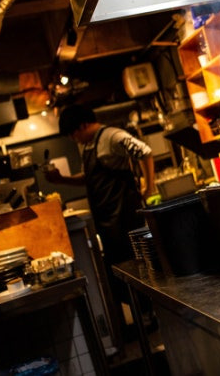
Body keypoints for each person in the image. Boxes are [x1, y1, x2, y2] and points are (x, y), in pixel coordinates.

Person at [44, 103, 156, 350]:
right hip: (108, 222)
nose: (74, 139)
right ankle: (141, 322)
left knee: (137, 270)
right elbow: (90, 179)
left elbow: (145, 152)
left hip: (125, 219)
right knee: (120, 275)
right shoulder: (90, 145)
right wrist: (61, 180)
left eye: (74, 134)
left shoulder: (112, 136)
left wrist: (149, 187)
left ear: (83, 125)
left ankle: (152, 321)